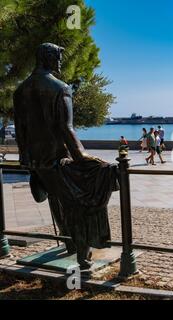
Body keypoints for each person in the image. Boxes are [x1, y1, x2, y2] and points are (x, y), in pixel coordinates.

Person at [13, 43, 119, 270]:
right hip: (58, 160)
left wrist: (26, 157)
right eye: (58, 58)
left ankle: (69, 243)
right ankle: (82, 256)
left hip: (37, 162)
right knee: (84, 198)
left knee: (56, 198)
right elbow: (66, 128)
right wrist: (83, 157)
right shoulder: (60, 88)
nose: (60, 63)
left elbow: (20, 128)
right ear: (48, 57)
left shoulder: (20, 90)